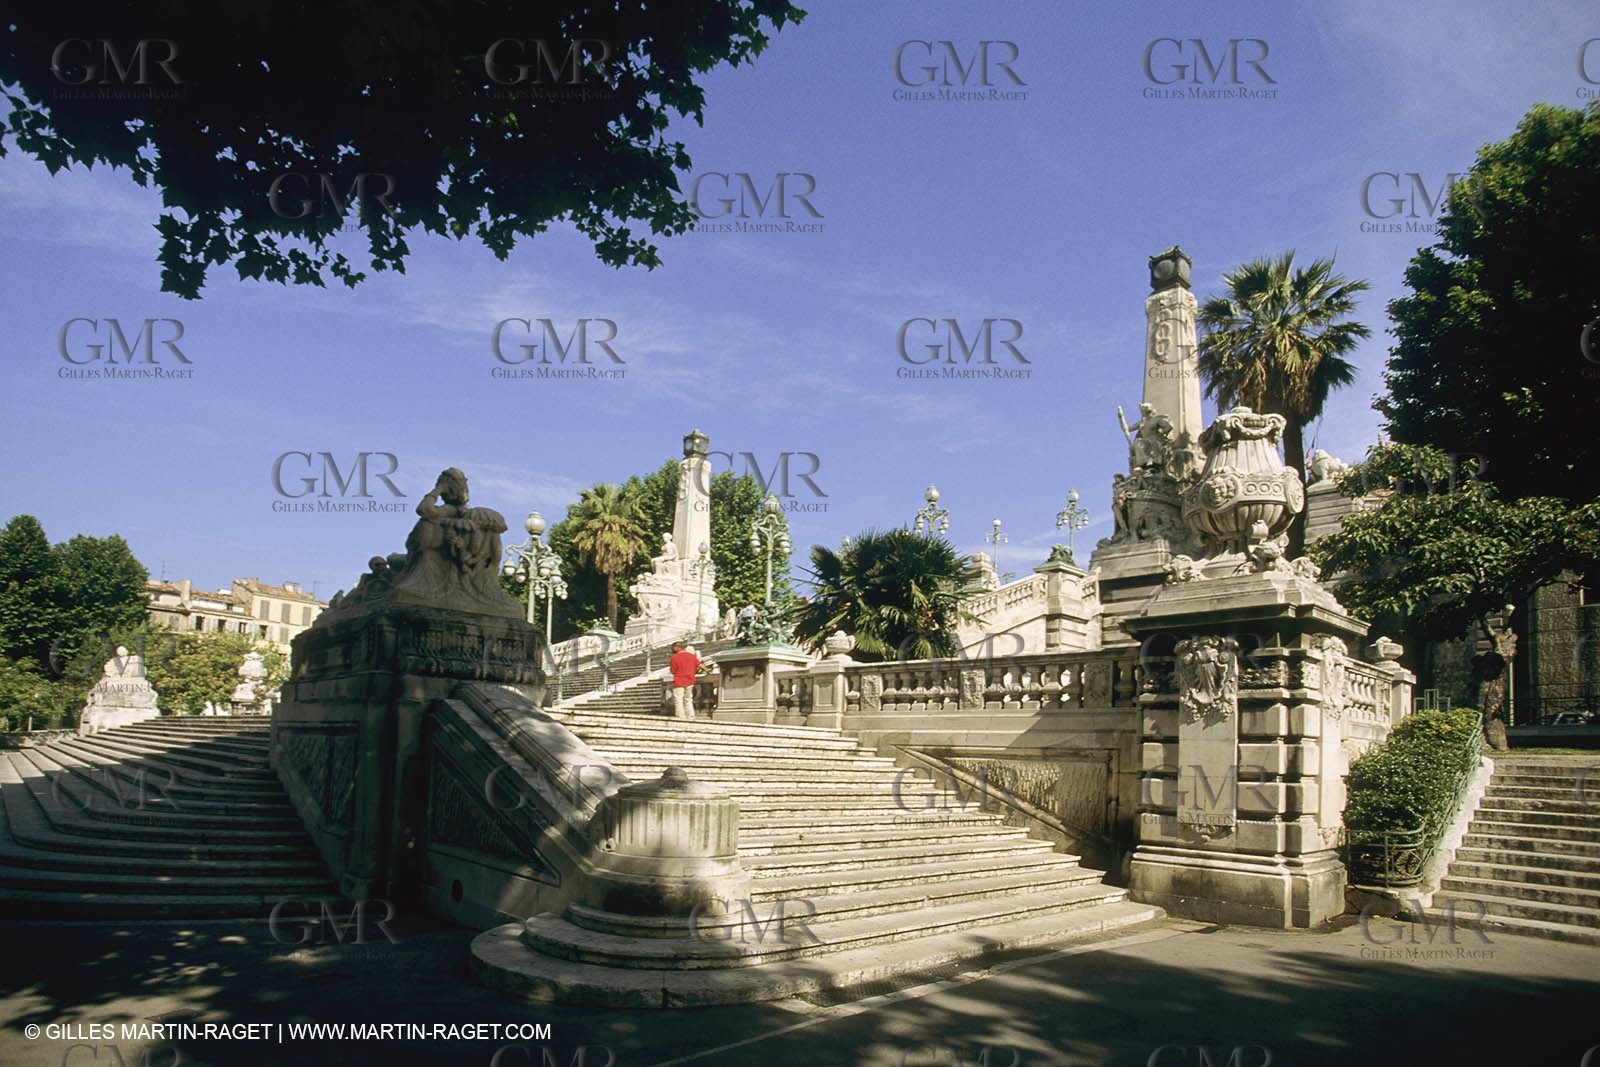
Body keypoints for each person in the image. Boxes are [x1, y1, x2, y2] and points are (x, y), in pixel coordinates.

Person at [669, 640, 701, 719]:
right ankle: (691, 715)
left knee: (679, 699)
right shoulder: (691, 656)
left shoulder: (674, 657)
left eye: (673, 648)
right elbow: (699, 665)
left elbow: (673, 671)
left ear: (677, 647)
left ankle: (681, 716)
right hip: (690, 680)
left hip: (679, 680)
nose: (672, 650)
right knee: (688, 699)